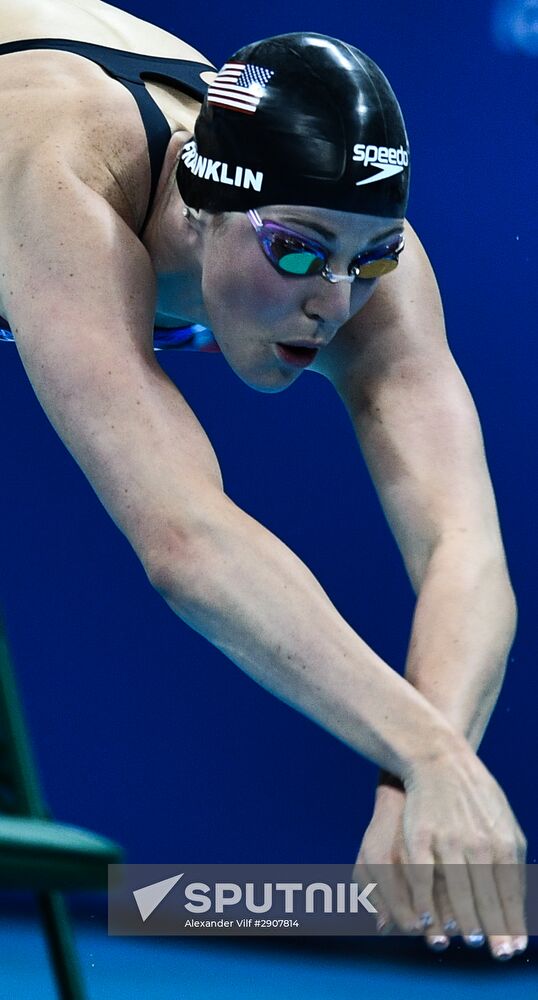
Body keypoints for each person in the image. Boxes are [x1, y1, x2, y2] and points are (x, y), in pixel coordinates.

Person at [0, 0, 527, 960]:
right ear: (200, 209)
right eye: (294, 251)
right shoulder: (67, 181)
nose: (334, 300)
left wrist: (418, 775)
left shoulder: (355, 245)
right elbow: (185, 541)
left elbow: (466, 548)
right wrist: (426, 750)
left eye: (371, 259)